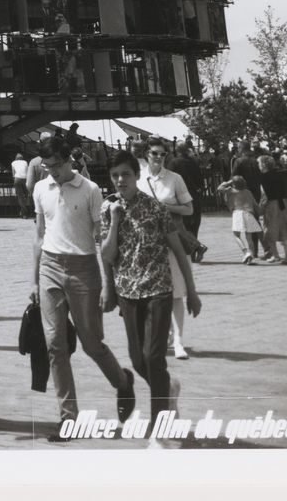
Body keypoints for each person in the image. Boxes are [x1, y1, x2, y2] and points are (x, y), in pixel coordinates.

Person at [31, 132, 135, 442]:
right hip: (49, 266)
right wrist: (33, 279)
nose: (53, 171)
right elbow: (39, 235)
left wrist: (107, 285)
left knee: (91, 343)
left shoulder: (90, 190)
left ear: (69, 160)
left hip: (83, 268)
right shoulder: (41, 188)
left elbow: (102, 240)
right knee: (54, 344)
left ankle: (122, 381)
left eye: (57, 165)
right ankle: (69, 418)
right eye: (48, 166)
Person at [101, 151, 202, 435]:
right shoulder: (108, 209)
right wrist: (116, 220)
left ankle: (160, 424)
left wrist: (192, 292)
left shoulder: (155, 209)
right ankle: (168, 388)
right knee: (137, 359)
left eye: (126, 174)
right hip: (128, 292)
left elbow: (179, 252)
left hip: (158, 288)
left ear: (136, 176)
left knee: (154, 356)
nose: (120, 180)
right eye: (115, 175)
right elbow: (107, 255)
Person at [138, 139, 197, 359]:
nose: (159, 157)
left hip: (171, 242)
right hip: (146, 244)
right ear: (146, 154)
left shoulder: (174, 179)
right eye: (154, 153)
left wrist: (165, 207)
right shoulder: (139, 179)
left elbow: (189, 209)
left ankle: (179, 341)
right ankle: (162, 336)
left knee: (176, 292)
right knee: (149, 294)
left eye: (163, 154)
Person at [168, 141, 208, 262]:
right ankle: (193, 254)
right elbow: (201, 180)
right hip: (194, 195)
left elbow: (169, 181)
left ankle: (194, 249)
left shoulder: (173, 163)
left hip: (180, 197)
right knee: (194, 225)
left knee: (181, 226)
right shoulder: (194, 162)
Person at [256, 154, 287, 264]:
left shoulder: (263, 177)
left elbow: (264, 195)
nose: (258, 165)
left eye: (259, 163)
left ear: (263, 164)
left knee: (269, 231)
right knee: (285, 229)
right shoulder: (282, 174)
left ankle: (276, 255)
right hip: (284, 203)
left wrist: (260, 209)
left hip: (271, 205)